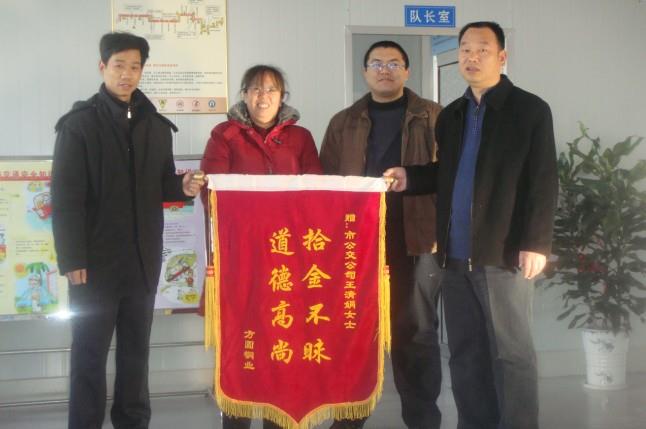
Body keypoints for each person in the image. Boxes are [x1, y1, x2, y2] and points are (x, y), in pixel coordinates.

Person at [386, 21, 558, 429]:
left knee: (511, 354)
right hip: (454, 256)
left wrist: (536, 242)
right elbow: (447, 173)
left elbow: (543, 179)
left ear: (502, 56)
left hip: (503, 253)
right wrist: (411, 177)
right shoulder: (452, 115)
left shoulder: (529, 110)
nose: (471, 57)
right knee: (465, 352)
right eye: (465, 49)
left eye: (482, 49)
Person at [51, 32, 205, 429]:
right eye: (119, 65)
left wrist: (183, 187)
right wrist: (72, 259)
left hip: (141, 261)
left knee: (136, 353)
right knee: (89, 353)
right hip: (93, 265)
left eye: (135, 67)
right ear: (102, 67)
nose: (127, 74)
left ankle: (133, 422)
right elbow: (65, 199)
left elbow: (161, 183)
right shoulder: (79, 126)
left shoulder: (155, 125)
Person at [319, 40, 443, 429]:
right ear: (364, 72)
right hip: (356, 244)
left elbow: (450, 173)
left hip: (416, 239)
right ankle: (348, 418)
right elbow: (326, 182)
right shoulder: (343, 122)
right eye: (376, 63)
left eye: (393, 63)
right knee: (353, 331)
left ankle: (423, 421)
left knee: (416, 334)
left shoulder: (434, 116)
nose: (384, 70)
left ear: (407, 71)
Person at [200, 64, 322, 429]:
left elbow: (316, 191)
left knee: (282, 345)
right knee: (240, 346)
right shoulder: (224, 134)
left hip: (288, 258)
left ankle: (279, 420)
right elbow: (211, 192)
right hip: (241, 258)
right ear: (243, 95)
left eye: (271, 89)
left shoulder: (301, 137)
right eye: (255, 89)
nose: (262, 96)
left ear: (282, 97)